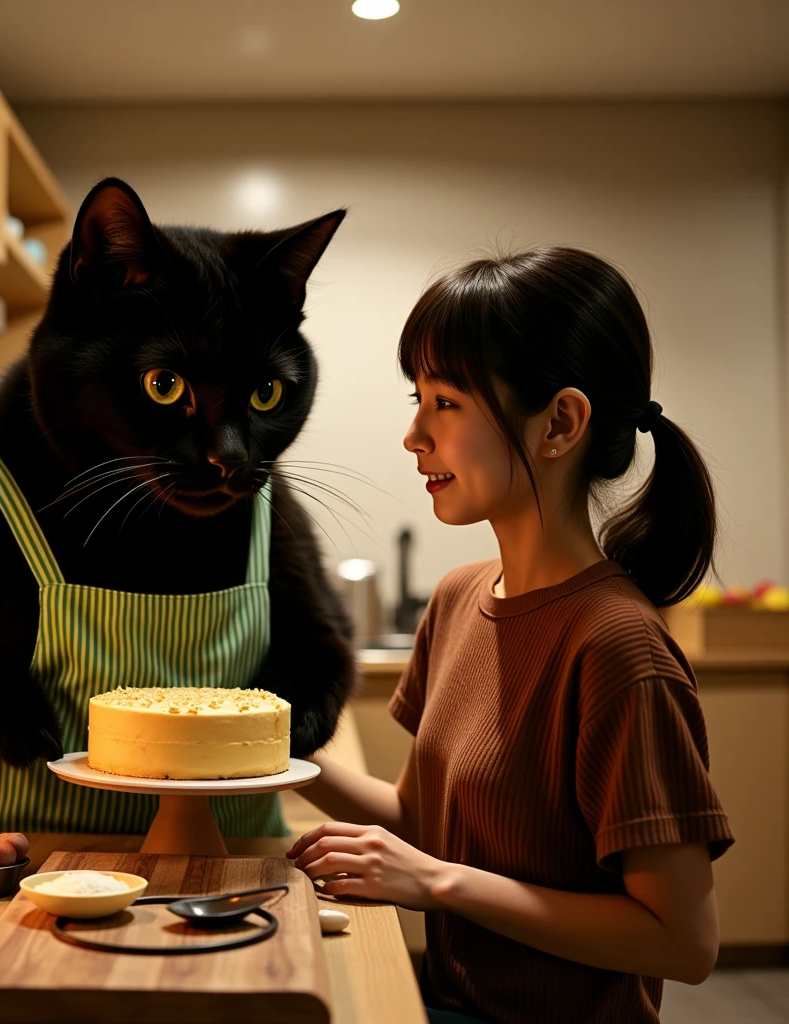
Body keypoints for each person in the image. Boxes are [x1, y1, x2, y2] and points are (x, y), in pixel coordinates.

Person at [288, 247, 734, 1024]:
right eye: (416, 398)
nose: (413, 436)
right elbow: (422, 823)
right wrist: (265, 745)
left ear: (560, 422)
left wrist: (433, 882)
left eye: (446, 402)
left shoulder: (617, 650)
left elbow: (682, 942)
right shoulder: (459, 600)